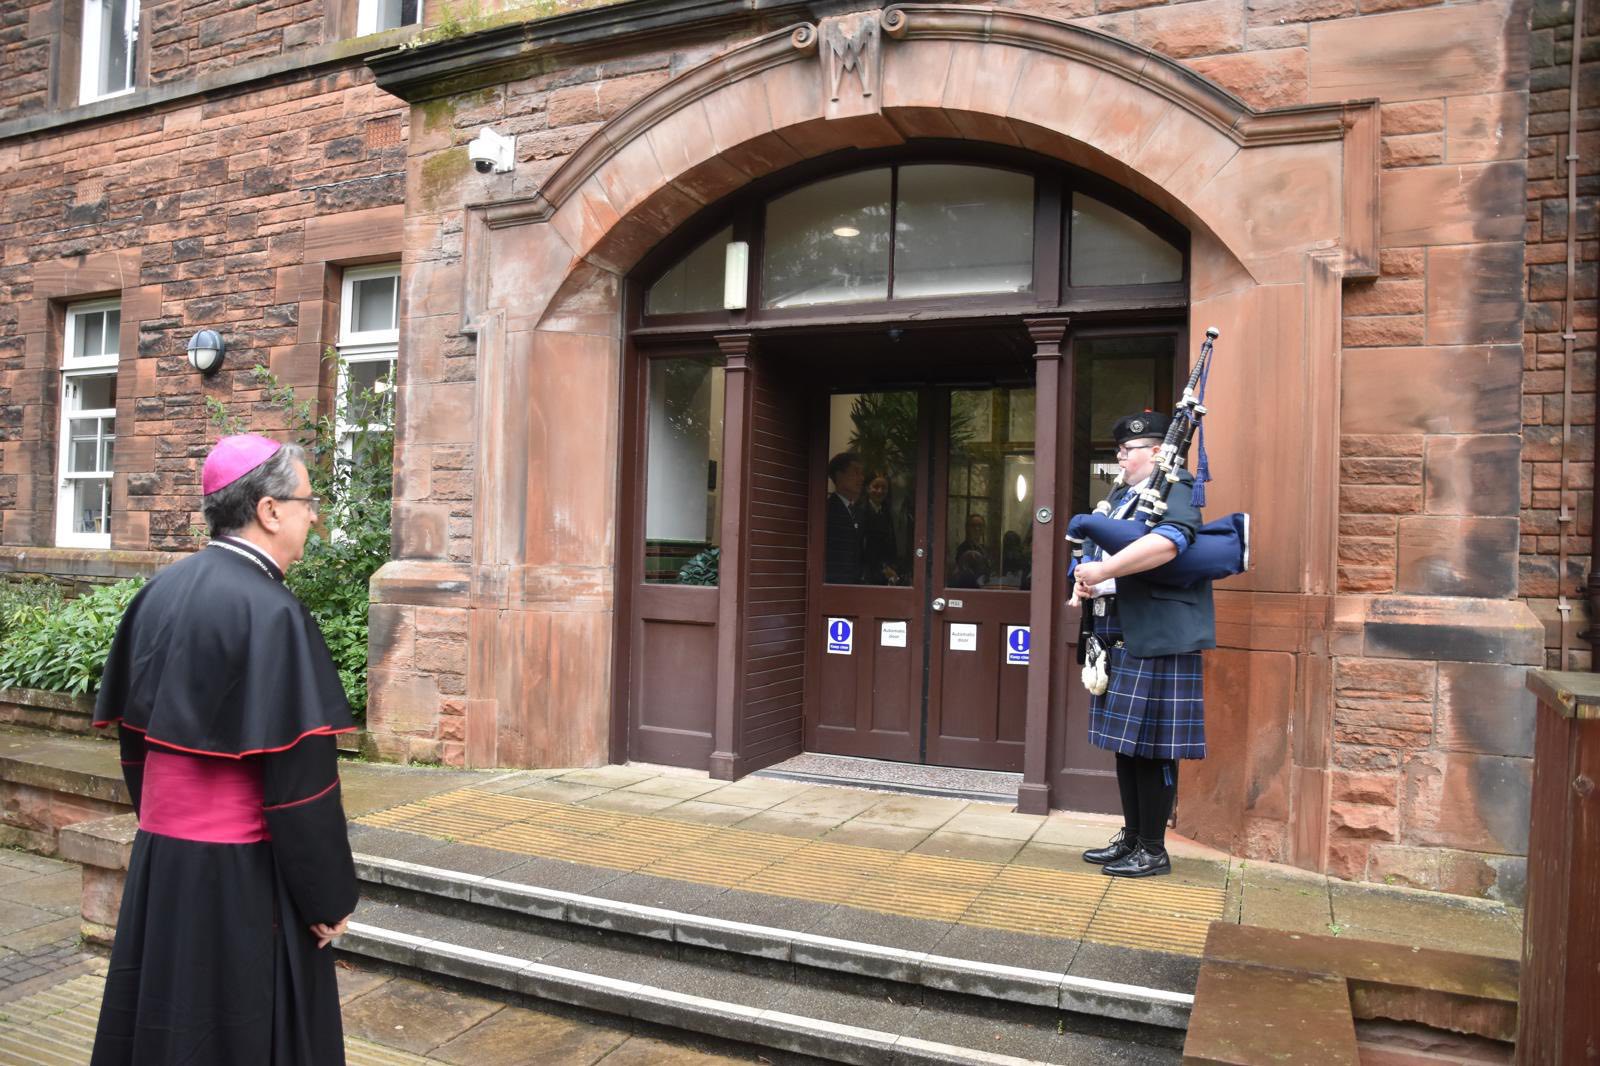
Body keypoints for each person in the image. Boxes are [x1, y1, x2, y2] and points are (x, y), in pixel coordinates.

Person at [91, 435, 359, 1065]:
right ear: (269, 510)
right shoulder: (274, 612)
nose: (312, 515)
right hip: (241, 879)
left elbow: (136, 744)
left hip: (163, 861)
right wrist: (327, 899)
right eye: (306, 502)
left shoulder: (159, 592)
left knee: (162, 1021)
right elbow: (301, 786)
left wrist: (164, 827)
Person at [1071, 412, 1214, 879]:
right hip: (1118, 633)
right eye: (1118, 450)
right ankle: (1132, 837)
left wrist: (1104, 573)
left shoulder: (1176, 487)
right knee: (1127, 747)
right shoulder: (1120, 496)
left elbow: (1167, 546)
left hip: (1157, 635)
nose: (1120, 457)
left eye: (1127, 450)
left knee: (1152, 748)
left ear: (1157, 452)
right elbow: (1101, 552)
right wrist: (1087, 579)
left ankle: (1153, 847)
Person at [825, 451, 866, 584]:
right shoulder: (827, 510)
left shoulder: (858, 511)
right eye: (855, 472)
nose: (861, 478)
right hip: (835, 586)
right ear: (839, 476)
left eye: (861, 473)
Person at [861, 474, 900, 585]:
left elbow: (891, 543)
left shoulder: (887, 512)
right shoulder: (860, 511)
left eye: (884, 488)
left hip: (885, 572)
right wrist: (883, 567)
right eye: (876, 486)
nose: (880, 491)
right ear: (868, 488)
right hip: (867, 572)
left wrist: (891, 566)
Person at [953, 512, 992, 584]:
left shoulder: (985, 549)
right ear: (967, 528)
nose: (977, 528)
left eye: (980, 525)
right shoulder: (963, 548)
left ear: (984, 528)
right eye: (973, 526)